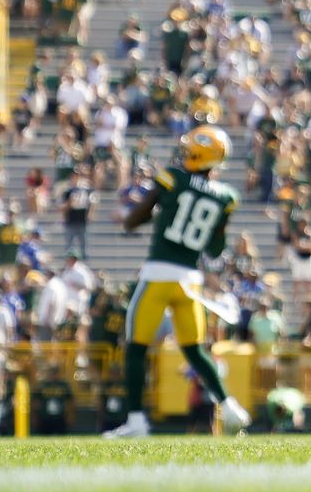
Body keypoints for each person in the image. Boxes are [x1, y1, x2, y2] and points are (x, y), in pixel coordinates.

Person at [103, 125, 251, 438]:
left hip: (159, 275)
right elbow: (214, 248)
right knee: (196, 351)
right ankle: (232, 408)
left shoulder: (173, 178)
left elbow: (133, 220)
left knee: (136, 349)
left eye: (190, 151)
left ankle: (136, 422)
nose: (183, 154)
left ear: (199, 155)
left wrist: (153, 213)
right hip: (190, 281)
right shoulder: (226, 197)